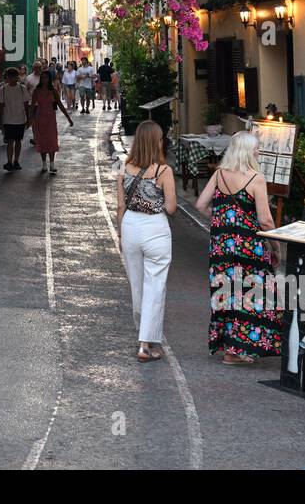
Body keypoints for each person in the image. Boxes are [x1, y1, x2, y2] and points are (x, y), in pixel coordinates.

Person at [194, 131, 282, 364]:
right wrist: (276, 247)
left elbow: (201, 204)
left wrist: (222, 219)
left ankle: (229, 350)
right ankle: (239, 349)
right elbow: (265, 220)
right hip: (248, 248)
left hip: (221, 246)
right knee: (253, 296)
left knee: (227, 294)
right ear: (247, 152)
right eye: (256, 149)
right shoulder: (256, 178)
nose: (258, 152)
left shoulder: (219, 174)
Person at [116, 121, 178, 362]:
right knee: (155, 285)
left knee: (137, 285)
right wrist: (154, 201)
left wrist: (121, 234)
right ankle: (146, 343)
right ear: (156, 142)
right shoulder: (164, 171)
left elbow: (120, 205)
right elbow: (171, 208)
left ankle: (143, 338)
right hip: (155, 228)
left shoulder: (124, 167)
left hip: (130, 226)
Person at [30, 69, 73, 174]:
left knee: (51, 139)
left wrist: (68, 117)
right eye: (43, 78)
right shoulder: (36, 91)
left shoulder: (53, 91)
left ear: (49, 79)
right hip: (39, 117)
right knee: (41, 140)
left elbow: (60, 104)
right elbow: (32, 106)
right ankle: (44, 164)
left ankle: (52, 164)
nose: (44, 79)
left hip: (50, 118)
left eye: (46, 77)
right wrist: (30, 119)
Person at [0, 67, 30, 172]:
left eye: (14, 76)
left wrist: (28, 118)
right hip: (8, 119)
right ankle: (9, 161)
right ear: (8, 77)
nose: (12, 79)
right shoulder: (3, 89)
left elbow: (26, 104)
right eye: (10, 76)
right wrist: (0, 120)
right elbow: (0, 105)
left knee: (18, 141)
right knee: (10, 141)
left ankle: (16, 161)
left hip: (20, 119)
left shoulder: (22, 89)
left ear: (17, 77)